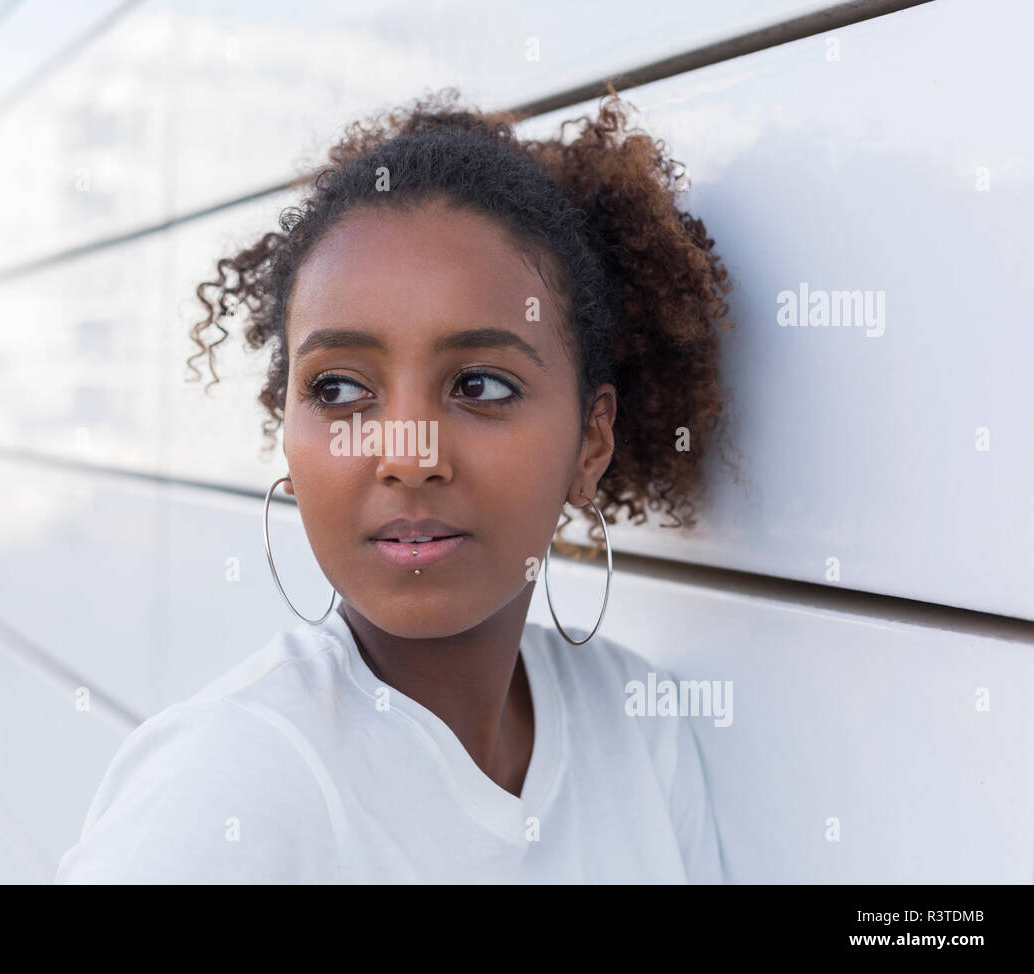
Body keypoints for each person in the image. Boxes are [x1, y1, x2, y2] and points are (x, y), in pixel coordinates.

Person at [56, 86, 736, 883]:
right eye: (340, 390)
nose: (407, 454)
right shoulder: (229, 783)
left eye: (479, 386)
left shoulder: (637, 726)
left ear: (591, 442)